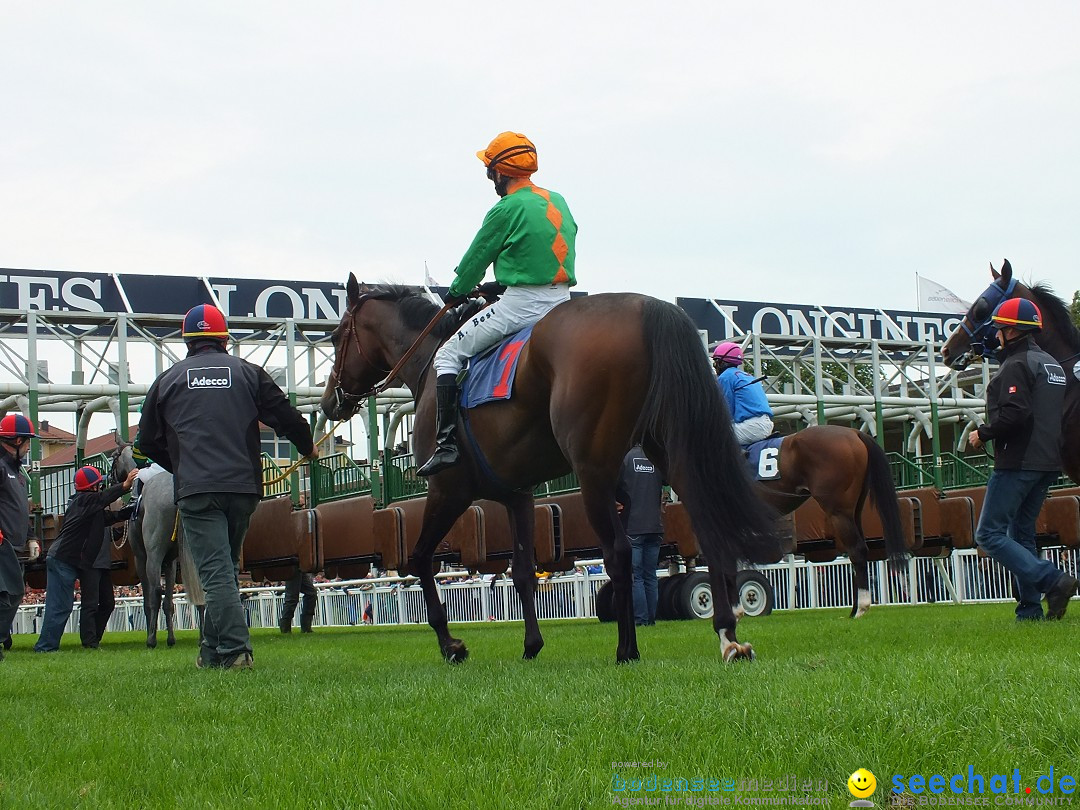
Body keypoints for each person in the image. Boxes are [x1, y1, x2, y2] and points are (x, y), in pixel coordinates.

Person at [136, 303, 318, 670]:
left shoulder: (169, 380)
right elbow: (286, 415)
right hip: (243, 490)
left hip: (198, 491)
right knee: (226, 570)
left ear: (187, 341)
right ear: (224, 338)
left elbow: (146, 442)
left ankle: (236, 650)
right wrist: (307, 445)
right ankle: (210, 651)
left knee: (216, 573)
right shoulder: (248, 373)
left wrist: (181, 466)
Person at [418, 131, 578, 476]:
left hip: (522, 305)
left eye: (489, 170)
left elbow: (477, 257)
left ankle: (445, 446)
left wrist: (458, 290)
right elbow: (541, 249)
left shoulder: (505, 208)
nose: (490, 177)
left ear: (500, 173)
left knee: (447, 355)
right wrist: (501, 281)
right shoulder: (558, 200)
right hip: (563, 301)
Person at [968, 298, 1076, 621]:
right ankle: (1029, 610)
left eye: (1000, 328)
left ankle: (1052, 579)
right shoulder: (1054, 366)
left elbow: (1016, 414)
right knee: (1022, 533)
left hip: (1018, 464)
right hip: (1048, 464)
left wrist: (982, 434)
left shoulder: (1016, 365)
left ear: (1012, 331)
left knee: (988, 534)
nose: (997, 334)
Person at [34, 465, 136, 652]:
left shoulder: (88, 506)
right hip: (62, 560)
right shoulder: (85, 501)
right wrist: (125, 485)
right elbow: (103, 498)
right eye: (99, 484)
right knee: (60, 606)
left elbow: (110, 517)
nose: (101, 487)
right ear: (92, 486)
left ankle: (47, 646)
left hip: (64, 559)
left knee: (61, 606)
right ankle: (45, 647)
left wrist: (131, 510)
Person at [0, 414, 39, 661]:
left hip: (13, 544)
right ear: (15, 440)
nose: (28, 447)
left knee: (12, 594)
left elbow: (20, 508)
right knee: (10, 594)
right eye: (27, 442)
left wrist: (31, 537)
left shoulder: (18, 472)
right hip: (1, 542)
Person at [615, 444, 664, 626]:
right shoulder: (655, 458)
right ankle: (651, 619)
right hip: (655, 526)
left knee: (636, 576)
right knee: (651, 575)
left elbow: (614, 485)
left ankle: (640, 620)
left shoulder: (625, 459)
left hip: (633, 526)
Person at [712, 342, 774, 447]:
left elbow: (727, 412)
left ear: (722, 362)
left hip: (751, 426)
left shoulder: (726, 377)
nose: (715, 366)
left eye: (716, 362)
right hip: (766, 424)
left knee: (711, 437)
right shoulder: (748, 376)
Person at [79, 512, 126, 648]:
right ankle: (89, 641)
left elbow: (111, 535)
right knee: (90, 604)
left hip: (103, 564)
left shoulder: (98, 514)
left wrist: (125, 528)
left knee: (108, 603)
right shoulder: (84, 511)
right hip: (90, 565)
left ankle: (94, 637)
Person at [279, 568, 317, 633]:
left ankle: (306, 628)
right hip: (292, 566)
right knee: (292, 597)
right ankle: (285, 629)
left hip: (300, 567)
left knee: (311, 593)